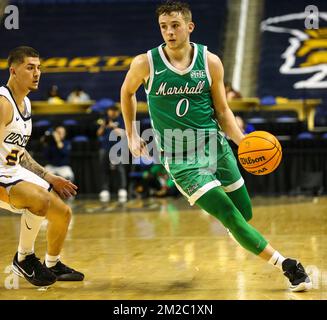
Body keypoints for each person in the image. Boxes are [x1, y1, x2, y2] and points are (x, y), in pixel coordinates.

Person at [120, 2, 312, 292]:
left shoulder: (210, 62)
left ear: (189, 27)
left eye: (175, 25)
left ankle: (238, 230)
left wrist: (244, 142)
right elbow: (126, 92)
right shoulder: (145, 63)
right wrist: (131, 133)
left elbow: (223, 112)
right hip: (180, 158)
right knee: (231, 216)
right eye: (163, 26)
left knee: (243, 213)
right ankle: (287, 266)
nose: (169, 32)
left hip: (216, 146)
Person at [0, 46, 84, 286]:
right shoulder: (3, 103)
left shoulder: (25, 102)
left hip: (12, 171)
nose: (37, 73)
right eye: (30, 67)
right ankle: (23, 258)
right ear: (13, 70)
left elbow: (20, 152)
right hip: (1, 176)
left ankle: (52, 263)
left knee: (63, 213)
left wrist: (48, 176)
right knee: (40, 201)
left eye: (39, 68)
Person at [96, 105, 128, 203]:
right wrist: (103, 126)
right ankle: (104, 189)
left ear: (118, 112)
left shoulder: (122, 120)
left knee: (119, 169)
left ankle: (122, 188)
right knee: (103, 168)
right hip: (105, 148)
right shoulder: (104, 120)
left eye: (115, 111)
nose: (112, 113)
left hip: (117, 148)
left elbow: (125, 133)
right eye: (111, 111)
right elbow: (99, 133)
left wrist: (114, 127)